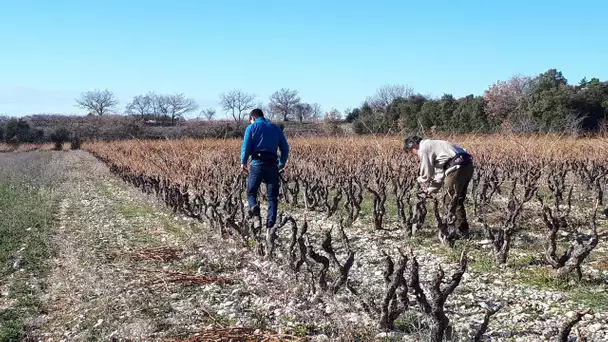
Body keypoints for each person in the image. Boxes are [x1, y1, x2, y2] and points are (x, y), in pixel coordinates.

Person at [404, 135, 474, 234]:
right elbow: (439, 174)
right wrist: (430, 190)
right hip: (467, 165)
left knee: (449, 201)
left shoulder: (423, 148)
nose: (414, 155)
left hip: (456, 167)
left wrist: (419, 180)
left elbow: (426, 173)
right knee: (457, 200)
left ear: (413, 147)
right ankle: (463, 231)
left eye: (411, 152)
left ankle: (449, 232)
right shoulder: (435, 146)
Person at [240, 108, 290, 229]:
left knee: (251, 193)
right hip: (272, 165)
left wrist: (243, 162)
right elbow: (285, 148)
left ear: (253, 118)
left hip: (256, 164)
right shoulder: (276, 128)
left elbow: (246, 146)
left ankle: (256, 213)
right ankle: (270, 227)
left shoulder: (251, 128)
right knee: (272, 198)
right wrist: (282, 164)